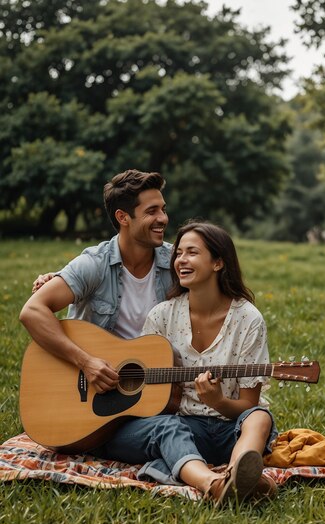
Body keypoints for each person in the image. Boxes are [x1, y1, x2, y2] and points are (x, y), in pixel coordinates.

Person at [91, 220, 277, 504]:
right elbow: (143, 388)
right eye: (178, 253)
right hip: (177, 426)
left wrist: (218, 402)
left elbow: (249, 403)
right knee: (167, 427)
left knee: (260, 417)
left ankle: (239, 472)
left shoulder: (248, 319)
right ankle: (214, 484)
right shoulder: (162, 315)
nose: (180, 260)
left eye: (192, 252)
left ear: (218, 263)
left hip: (228, 429)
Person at [20, 169, 172, 393]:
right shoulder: (94, 264)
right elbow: (31, 311)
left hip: (151, 382)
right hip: (93, 388)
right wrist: (85, 362)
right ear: (123, 217)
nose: (163, 218)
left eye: (163, 209)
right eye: (152, 211)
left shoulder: (177, 263)